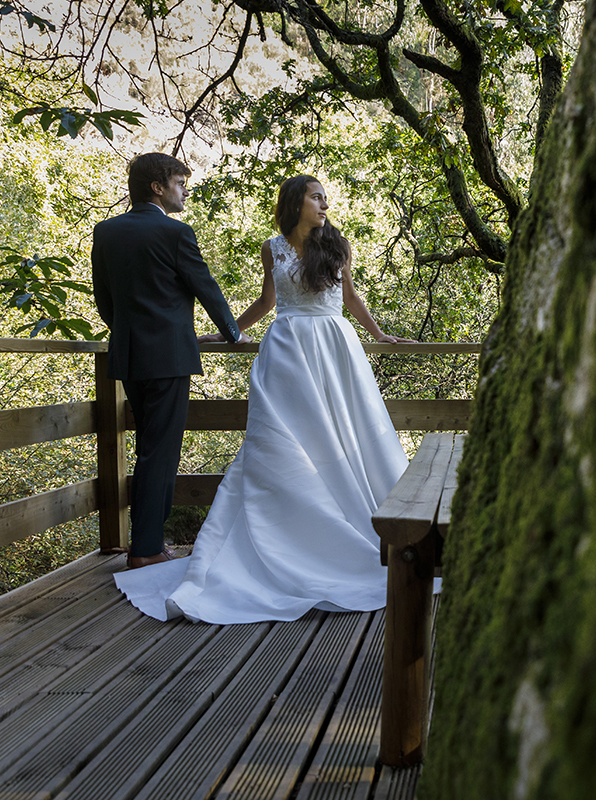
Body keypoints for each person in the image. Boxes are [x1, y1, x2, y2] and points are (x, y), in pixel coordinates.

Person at [114, 175, 419, 623]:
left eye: (324, 199)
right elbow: (267, 300)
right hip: (287, 348)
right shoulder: (272, 247)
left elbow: (349, 297)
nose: (324, 204)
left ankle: (349, 524)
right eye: (317, 197)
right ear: (296, 203)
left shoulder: (335, 245)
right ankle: (276, 536)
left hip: (335, 347)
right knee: (279, 437)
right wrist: (229, 332)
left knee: (345, 431)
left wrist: (378, 334)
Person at [92, 153, 252, 570]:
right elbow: (206, 288)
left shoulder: (106, 232)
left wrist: (130, 334)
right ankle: (145, 549)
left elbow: (104, 302)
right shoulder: (175, 232)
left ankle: (150, 542)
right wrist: (233, 333)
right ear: (157, 187)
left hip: (129, 355)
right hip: (169, 357)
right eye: (180, 183)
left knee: (150, 447)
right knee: (160, 452)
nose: (185, 191)